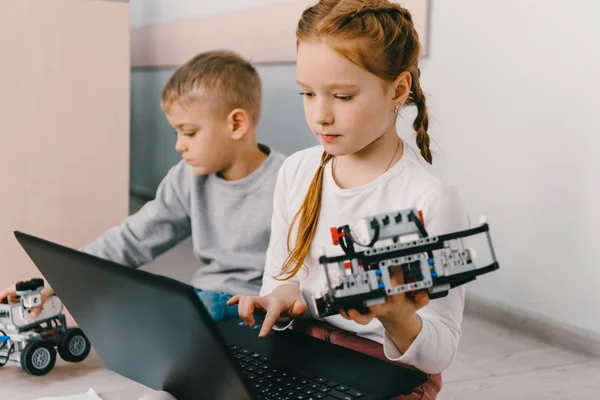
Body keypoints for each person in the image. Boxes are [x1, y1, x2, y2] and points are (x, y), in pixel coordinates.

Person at [228, 1, 470, 398]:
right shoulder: (298, 171)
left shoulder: (430, 199)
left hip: (386, 371)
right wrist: (282, 296)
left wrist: (397, 318)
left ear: (398, 90)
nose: (320, 115)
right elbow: (279, 276)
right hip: (304, 351)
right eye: (307, 93)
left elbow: (438, 352)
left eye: (342, 96)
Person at [1, 50, 286, 322]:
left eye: (189, 132)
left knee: (189, 308)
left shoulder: (288, 182)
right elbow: (133, 238)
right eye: (176, 132)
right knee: (145, 295)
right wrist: (58, 279)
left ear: (236, 124)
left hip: (257, 311)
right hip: (206, 302)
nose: (178, 145)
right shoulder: (187, 177)